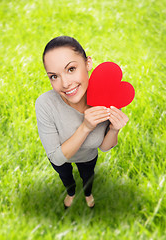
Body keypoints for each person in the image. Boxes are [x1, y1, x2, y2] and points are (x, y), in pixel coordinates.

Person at [35, 36, 129, 209]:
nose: (65, 84)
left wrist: (115, 130)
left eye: (71, 69)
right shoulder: (45, 104)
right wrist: (85, 127)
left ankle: (87, 193)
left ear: (88, 64)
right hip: (62, 160)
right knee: (66, 177)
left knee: (88, 176)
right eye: (54, 76)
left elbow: (104, 147)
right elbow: (56, 156)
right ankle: (71, 193)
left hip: (88, 157)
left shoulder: (108, 97)